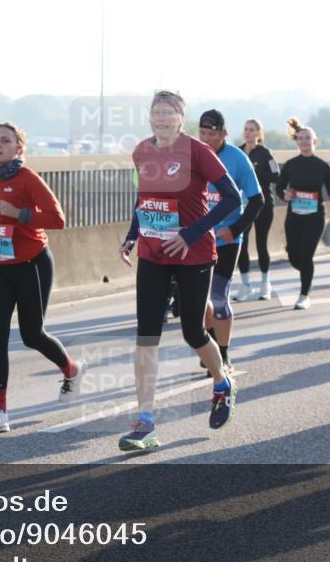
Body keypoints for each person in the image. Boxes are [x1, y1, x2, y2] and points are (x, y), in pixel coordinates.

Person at [117, 91, 240, 451]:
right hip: (153, 252)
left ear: (181, 118)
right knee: (146, 335)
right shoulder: (141, 151)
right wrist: (132, 235)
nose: (161, 118)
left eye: (168, 112)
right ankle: (145, 422)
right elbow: (144, 199)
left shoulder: (197, 151)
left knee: (192, 331)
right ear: (149, 117)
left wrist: (190, 234)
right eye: (156, 112)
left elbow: (232, 198)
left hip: (193, 253)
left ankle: (222, 382)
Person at [0, 122, 85, 434]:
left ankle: (71, 369)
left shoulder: (28, 178)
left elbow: (58, 219)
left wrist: (20, 214)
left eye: (5, 141)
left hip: (32, 264)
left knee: (32, 335)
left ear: (19, 148)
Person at [198, 109, 263, 370]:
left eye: (211, 134)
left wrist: (235, 229)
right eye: (202, 133)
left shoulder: (237, 159)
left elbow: (257, 200)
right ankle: (211, 346)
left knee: (218, 298)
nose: (206, 139)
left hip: (227, 240)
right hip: (198, 239)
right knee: (199, 302)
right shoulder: (193, 156)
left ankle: (223, 356)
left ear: (224, 133)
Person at [275, 118, 330, 309]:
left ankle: (304, 295)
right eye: (301, 138)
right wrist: (284, 194)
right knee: (294, 257)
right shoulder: (290, 165)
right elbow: (279, 188)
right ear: (297, 141)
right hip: (294, 216)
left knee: (305, 256)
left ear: (314, 141)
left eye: (307, 138)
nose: (304, 141)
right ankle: (304, 269)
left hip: (315, 216)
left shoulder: (323, 166)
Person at [234, 119, 280, 301]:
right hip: (242, 205)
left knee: (261, 243)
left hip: (263, 204)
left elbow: (276, 175)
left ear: (259, 133)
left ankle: (265, 283)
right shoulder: (238, 152)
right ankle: (245, 285)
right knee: (241, 243)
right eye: (246, 129)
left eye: (252, 130)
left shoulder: (265, 153)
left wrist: (254, 172)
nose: (248, 132)